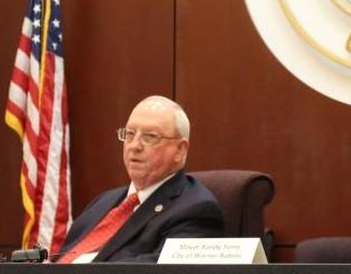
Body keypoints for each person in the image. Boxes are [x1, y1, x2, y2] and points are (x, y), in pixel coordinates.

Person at [54, 96, 224, 263]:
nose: (134, 146)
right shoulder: (104, 202)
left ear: (180, 150)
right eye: (129, 134)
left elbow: (161, 272)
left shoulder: (195, 209)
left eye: (149, 137)